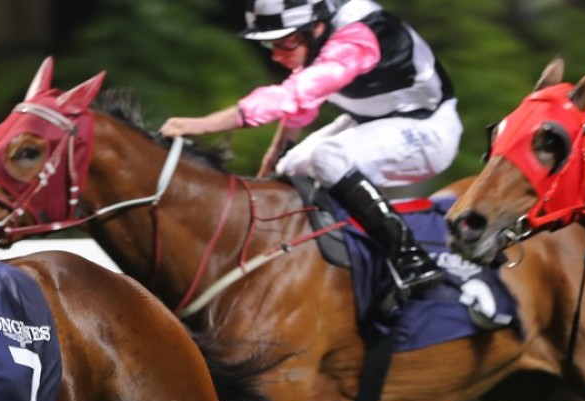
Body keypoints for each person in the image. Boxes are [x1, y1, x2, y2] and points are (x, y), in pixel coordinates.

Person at [160, 0, 462, 296]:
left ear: (316, 27)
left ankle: (411, 258)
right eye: (270, 45)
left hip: (429, 130)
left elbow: (297, 94)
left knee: (328, 158)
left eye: (284, 42)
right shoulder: (324, 32)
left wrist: (200, 125)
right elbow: (303, 104)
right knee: (288, 168)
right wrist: (276, 155)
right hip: (372, 121)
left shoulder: (358, 37)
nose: (277, 56)